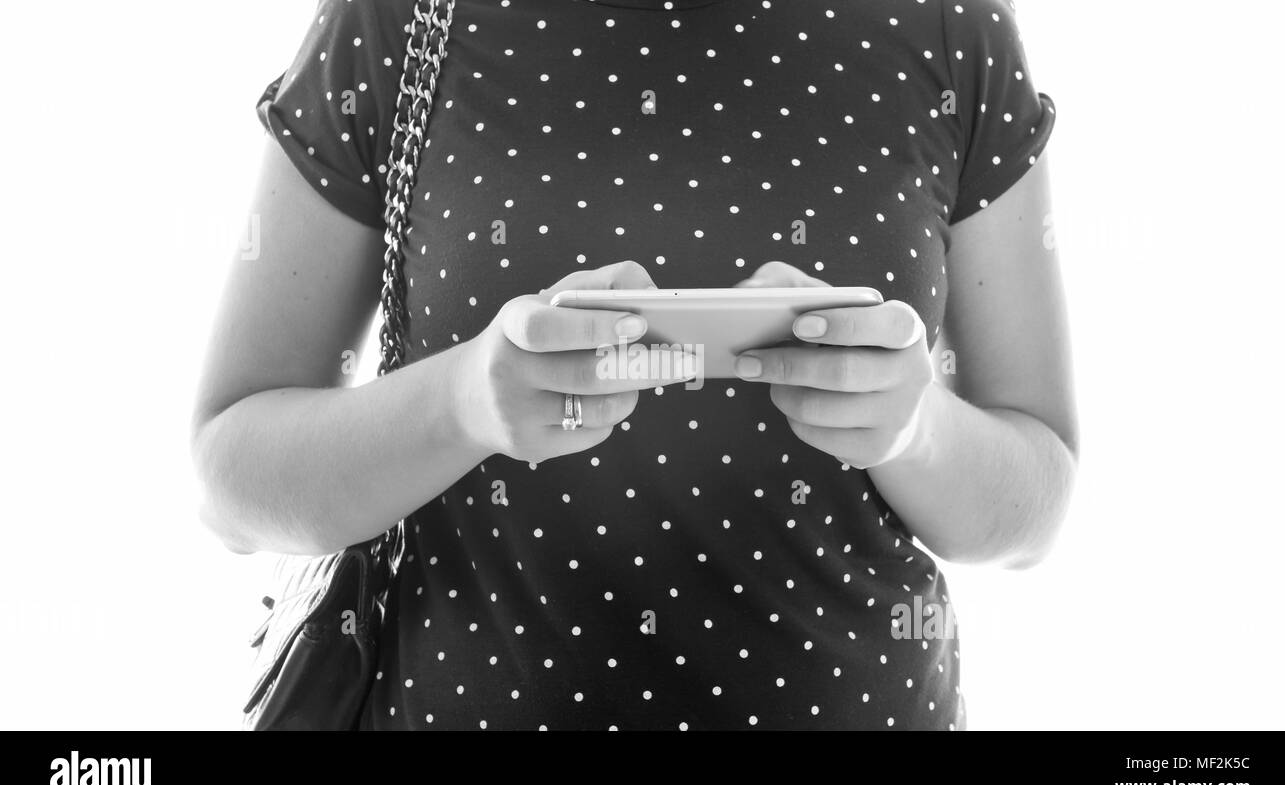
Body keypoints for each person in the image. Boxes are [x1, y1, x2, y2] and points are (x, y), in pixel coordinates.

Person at [192, 0, 1078, 730]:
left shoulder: (952, 27)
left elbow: (1036, 504)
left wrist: (912, 425)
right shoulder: (404, 18)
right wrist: (463, 401)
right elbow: (231, 477)